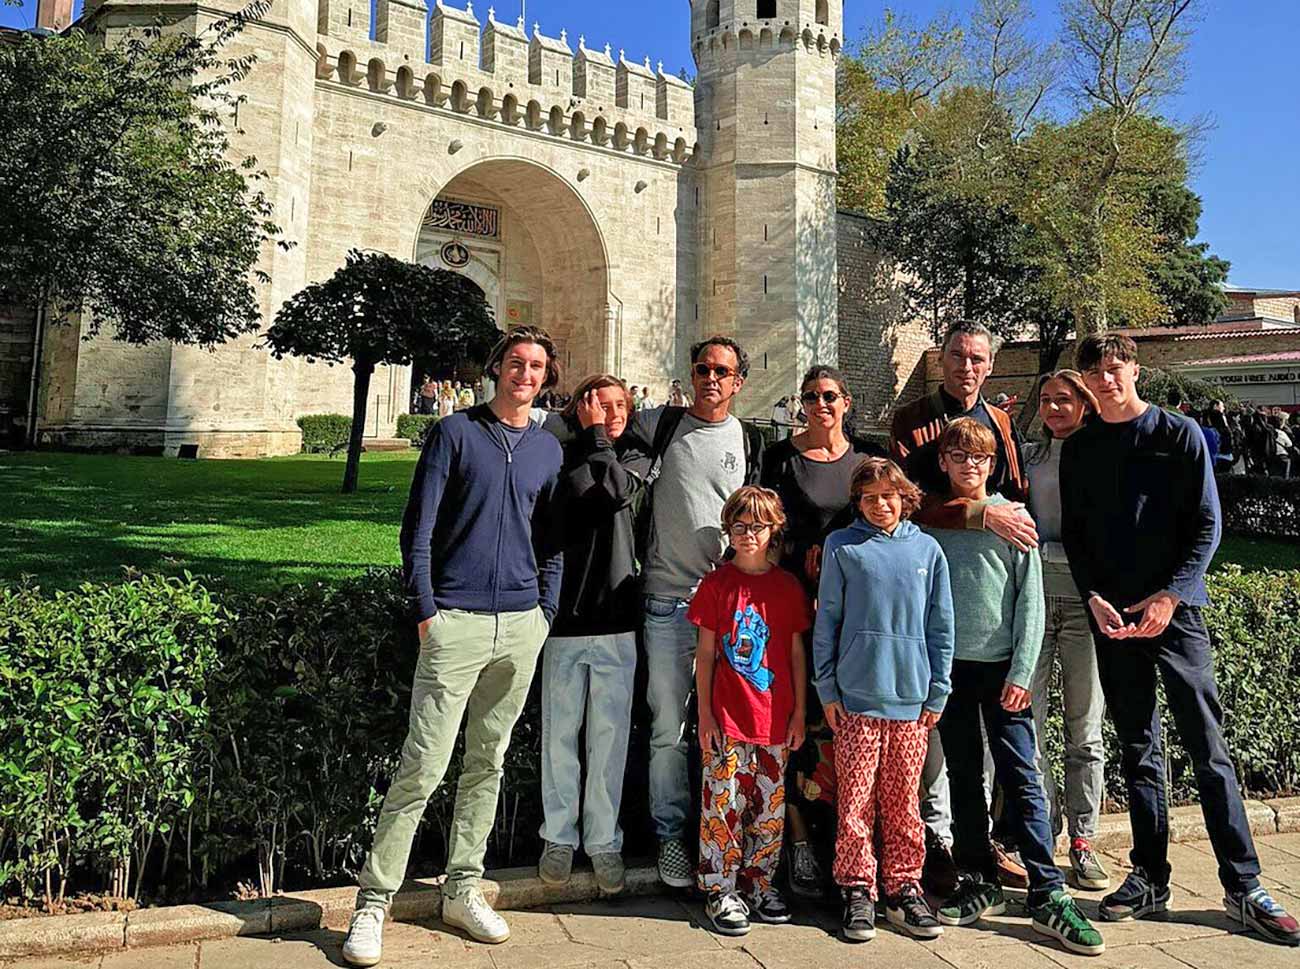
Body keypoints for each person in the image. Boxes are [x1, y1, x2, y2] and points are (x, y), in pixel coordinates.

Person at [1062, 333, 1300, 948]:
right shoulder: (1081, 447)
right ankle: (1149, 875)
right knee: (1139, 747)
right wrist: (1093, 596)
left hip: (1176, 613)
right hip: (1114, 616)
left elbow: (1208, 524)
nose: (1106, 379)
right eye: (1096, 371)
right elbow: (1080, 537)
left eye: (1115, 368)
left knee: (1206, 745)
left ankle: (1244, 884)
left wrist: (1171, 595)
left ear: (1134, 369)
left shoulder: (1178, 435)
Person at [341, 326, 564, 967]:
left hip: (521, 624)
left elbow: (551, 541)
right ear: (496, 369)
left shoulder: (547, 450)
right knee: (423, 765)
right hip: (455, 622)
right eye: (516, 363)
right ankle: (373, 903)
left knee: (487, 762)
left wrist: (544, 611)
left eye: (536, 366)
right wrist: (426, 613)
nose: (525, 374)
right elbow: (420, 528)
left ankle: (463, 888)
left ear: (546, 377)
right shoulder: (455, 434)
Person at [926, 418, 1105, 957]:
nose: (969, 466)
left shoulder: (1017, 520)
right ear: (943, 462)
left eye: (979, 458)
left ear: (993, 464)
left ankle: (1048, 890)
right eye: (958, 457)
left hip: (1003, 670)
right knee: (962, 773)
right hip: (951, 668)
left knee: (1021, 776)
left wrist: (1023, 672)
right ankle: (979, 876)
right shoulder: (937, 523)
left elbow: (1031, 605)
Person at [890, 320, 1037, 893]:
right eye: (957, 355)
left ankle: (994, 848)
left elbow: (1014, 503)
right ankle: (941, 847)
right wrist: (976, 516)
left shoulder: (999, 422)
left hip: (990, 609)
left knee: (1001, 752)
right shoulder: (911, 419)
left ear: (990, 364)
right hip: (929, 597)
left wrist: (997, 519)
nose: (966, 366)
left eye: (977, 358)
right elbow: (901, 503)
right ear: (940, 360)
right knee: (939, 747)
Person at [625, 335, 766, 889]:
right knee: (669, 727)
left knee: (733, 727)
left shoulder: (749, 439)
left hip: (731, 609)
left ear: (738, 382)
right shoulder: (660, 426)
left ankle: (728, 834)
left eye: (723, 371)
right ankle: (670, 836)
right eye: (703, 368)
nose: (712, 378)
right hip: (668, 601)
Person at [813, 457, 953, 943]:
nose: (880, 505)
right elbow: (826, 619)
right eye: (869, 497)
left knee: (903, 802)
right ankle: (857, 888)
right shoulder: (842, 547)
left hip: (912, 702)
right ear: (858, 501)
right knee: (854, 800)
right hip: (855, 700)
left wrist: (938, 690)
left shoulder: (929, 550)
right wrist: (827, 687)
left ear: (905, 497)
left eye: (888, 496)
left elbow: (941, 628)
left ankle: (904, 887)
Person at [760, 365, 885, 898]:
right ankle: (799, 841)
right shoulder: (779, 459)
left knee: (844, 727)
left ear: (846, 402)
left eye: (829, 395)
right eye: (810, 396)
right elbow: (767, 528)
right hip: (794, 609)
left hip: (851, 615)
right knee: (796, 723)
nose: (820, 404)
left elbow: (886, 525)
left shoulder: (865, 462)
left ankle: (846, 842)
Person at [536, 375, 648, 896]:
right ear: (581, 408)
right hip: (566, 616)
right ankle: (558, 835)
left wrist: (599, 439)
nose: (611, 413)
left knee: (608, 736)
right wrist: (587, 440)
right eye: (599, 405)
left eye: (619, 405)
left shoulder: (636, 457)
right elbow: (573, 496)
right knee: (560, 733)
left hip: (617, 614)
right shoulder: (558, 454)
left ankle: (604, 840)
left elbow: (614, 492)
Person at [689, 486, 810, 936]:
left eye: (757, 526)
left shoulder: (786, 587)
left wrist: (799, 714)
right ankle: (720, 888)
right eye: (738, 526)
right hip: (727, 719)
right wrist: (704, 713)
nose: (747, 535)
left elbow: (796, 654)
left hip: (775, 721)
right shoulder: (718, 584)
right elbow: (706, 655)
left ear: (773, 529)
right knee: (723, 806)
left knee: (769, 809)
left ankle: (758, 885)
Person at [1025, 372, 1111, 891]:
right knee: (1026, 725)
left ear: (1085, 404)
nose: (1055, 407)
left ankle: (1084, 839)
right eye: (1047, 400)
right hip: (1036, 599)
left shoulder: (1103, 454)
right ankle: (1041, 829)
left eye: (1065, 399)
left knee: (1085, 729)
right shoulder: (1032, 458)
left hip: (1086, 604)